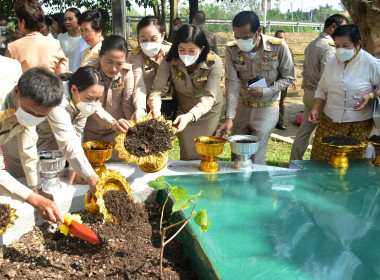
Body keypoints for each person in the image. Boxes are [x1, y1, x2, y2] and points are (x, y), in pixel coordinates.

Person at [34, 66, 127, 202]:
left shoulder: (81, 102)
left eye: (98, 99)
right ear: (74, 90)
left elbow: (77, 134)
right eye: (90, 98)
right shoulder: (57, 100)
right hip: (32, 136)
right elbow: (68, 142)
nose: (94, 104)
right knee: (28, 179)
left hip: (53, 138)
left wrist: (77, 171)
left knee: (50, 179)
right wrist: (91, 177)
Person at [216, 11, 295, 165]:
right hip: (242, 108)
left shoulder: (278, 47)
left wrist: (267, 91)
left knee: (256, 157)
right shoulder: (232, 50)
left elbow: (289, 78)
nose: (240, 41)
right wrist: (229, 117)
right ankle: (238, 188)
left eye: (245, 38)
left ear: (258, 31)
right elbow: (232, 82)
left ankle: (259, 188)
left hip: (267, 108)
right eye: (237, 37)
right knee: (237, 155)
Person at [0, 64, 64, 223]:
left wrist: (37, 188)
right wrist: (34, 200)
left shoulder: (29, 106)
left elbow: (28, 146)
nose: (33, 117)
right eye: (29, 112)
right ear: (17, 92)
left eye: (40, 116)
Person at [149, 24, 223, 159]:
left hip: (208, 111)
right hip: (183, 108)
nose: (186, 55)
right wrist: (155, 107)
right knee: (188, 152)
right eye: (182, 50)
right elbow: (156, 89)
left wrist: (191, 116)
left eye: (192, 51)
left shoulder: (214, 62)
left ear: (202, 49)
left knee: (206, 152)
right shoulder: (169, 60)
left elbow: (209, 97)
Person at [309, 24, 380, 160]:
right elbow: (322, 89)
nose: (340, 50)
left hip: (358, 125)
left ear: (357, 44)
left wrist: (370, 95)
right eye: (337, 46)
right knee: (321, 160)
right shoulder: (331, 62)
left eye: (345, 45)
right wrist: (315, 109)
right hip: (330, 121)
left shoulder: (371, 63)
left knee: (352, 164)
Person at [290, 14, 348, 161]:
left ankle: (294, 164)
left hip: (310, 92)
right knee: (328, 135)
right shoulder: (329, 48)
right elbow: (328, 78)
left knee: (304, 133)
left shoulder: (314, 43)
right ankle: (323, 165)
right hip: (322, 97)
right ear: (333, 27)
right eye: (343, 29)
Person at [84, 35, 145, 160]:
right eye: (108, 62)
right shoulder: (88, 72)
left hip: (114, 132)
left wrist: (135, 130)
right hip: (89, 131)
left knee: (116, 168)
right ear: (100, 56)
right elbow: (92, 104)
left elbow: (127, 102)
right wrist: (112, 123)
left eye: (119, 64)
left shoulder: (126, 73)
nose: (113, 68)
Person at [127, 16, 172, 119]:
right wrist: (140, 108)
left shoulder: (171, 53)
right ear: (138, 37)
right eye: (144, 40)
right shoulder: (135, 56)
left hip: (173, 103)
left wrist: (171, 85)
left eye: (153, 39)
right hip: (146, 104)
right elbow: (138, 84)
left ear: (162, 36)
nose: (149, 44)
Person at [5, 0, 68, 73]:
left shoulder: (12, 47)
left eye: (18, 20)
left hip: (24, 84)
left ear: (22, 22)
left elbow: (8, 77)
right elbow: (63, 74)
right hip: (50, 83)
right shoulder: (55, 44)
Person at [274, 29, 297, 131]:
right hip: (271, 80)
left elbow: (292, 65)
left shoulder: (288, 50)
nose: (280, 40)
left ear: (285, 38)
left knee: (281, 102)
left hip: (283, 80)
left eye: (281, 38)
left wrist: (294, 79)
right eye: (278, 38)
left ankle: (280, 122)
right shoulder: (270, 49)